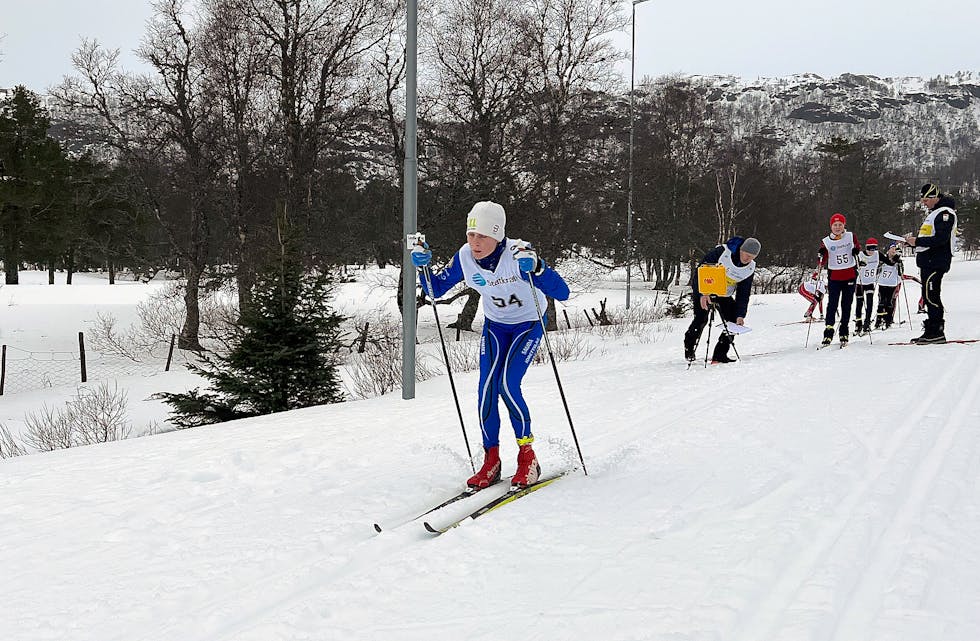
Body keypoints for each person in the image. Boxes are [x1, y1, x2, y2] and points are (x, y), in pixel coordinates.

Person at [411, 201, 570, 488]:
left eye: (482, 236)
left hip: (528, 325)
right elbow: (434, 291)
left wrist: (538, 268)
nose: (475, 242)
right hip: (496, 327)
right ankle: (491, 459)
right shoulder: (465, 256)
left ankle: (527, 457)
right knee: (486, 391)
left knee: (508, 386)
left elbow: (563, 292)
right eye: (471, 235)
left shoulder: (519, 252)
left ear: (498, 235)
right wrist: (422, 268)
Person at [683, 236, 761, 363]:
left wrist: (740, 315)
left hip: (724, 294)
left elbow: (743, 293)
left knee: (733, 321)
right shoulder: (722, 252)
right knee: (701, 319)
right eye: (746, 255)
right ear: (741, 250)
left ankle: (720, 354)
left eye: (752, 257)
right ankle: (689, 347)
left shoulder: (749, 268)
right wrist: (702, 293)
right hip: (705, 289)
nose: (748, 259)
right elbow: (700, 272)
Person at [904, 183, 957, 343]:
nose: (924, 204)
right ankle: (932, 330)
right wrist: (913, 243)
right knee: (927, 296)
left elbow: (941, 239)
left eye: (926, 200)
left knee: (931, 295)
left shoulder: (945, 213)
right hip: (927, 261)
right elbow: (929, 237)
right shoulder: (935, 213)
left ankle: (936, 331)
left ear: (935, 198)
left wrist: (917, 241)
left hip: (936, 261)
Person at [817, 213, 861, 346]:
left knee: (846, 304)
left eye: (840, 225)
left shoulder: (850, 236)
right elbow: (823, 259)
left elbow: (857, 247)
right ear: (831, 226)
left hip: (850, 275)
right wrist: (822, 254)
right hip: (834, 276)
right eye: (835, 225)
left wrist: (856, 251)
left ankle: (844, 331)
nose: (837, 227)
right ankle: (828, 331)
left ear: (844, 225)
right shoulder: (826, 241)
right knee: (832, 304)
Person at [874, 242, 904, 329]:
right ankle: (879, 320)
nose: (893, 250)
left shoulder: (898, 261)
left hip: (892, 284)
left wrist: (899, 265)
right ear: (888, 250)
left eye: (895, 248)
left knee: (889, 302)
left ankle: (888, 320)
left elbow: (901, 273)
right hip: (882, 283)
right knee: (881, 302)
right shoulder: (883, 259)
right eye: (892, 248)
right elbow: (877, 269)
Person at [853, 237, 880, 335]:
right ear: (866, 248)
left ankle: (867, 323)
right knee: (859, 303)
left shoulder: (877, 255)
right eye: (869, 249)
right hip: (860, 283)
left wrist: (895, 260)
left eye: (874, 249)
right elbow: (853, 265)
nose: (871, 252)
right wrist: (858, 264)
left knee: (869, 303)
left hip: (870, 283)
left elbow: (887, 261)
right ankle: (858, 323)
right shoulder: (860, 255)